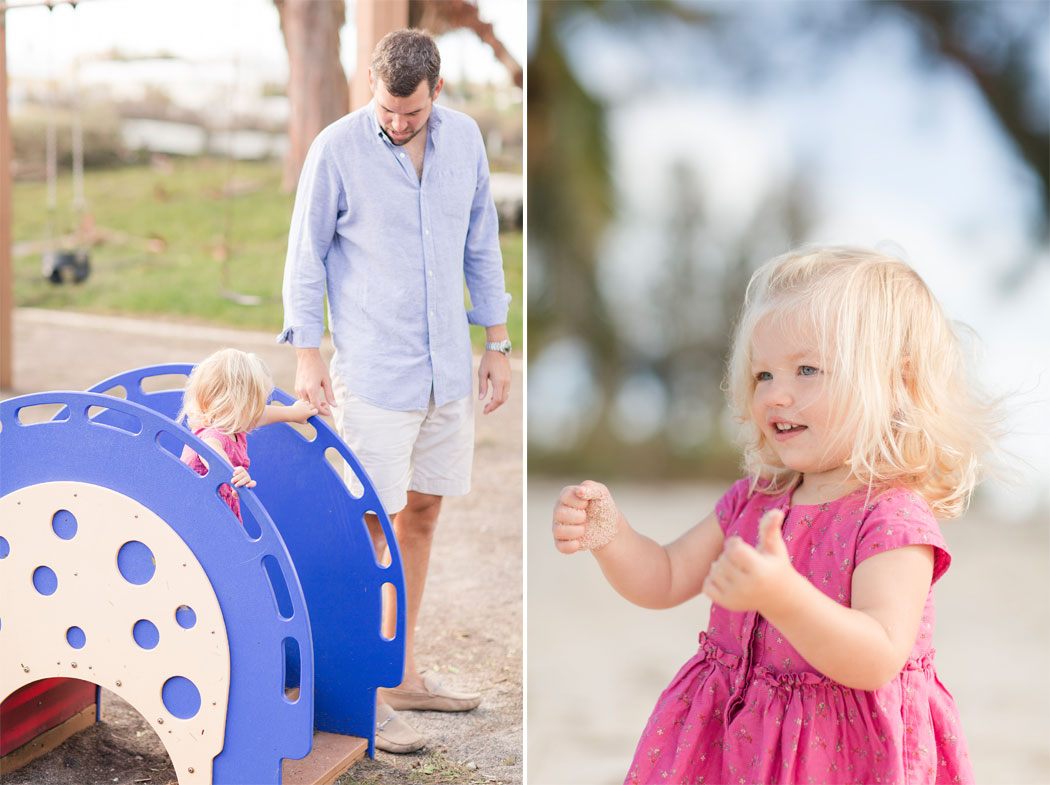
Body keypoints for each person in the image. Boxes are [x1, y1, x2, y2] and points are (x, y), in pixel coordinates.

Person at [552, 247, 1000, 784]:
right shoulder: (756, 498)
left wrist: (781, 597)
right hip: (731, 739)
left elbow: (878, 655)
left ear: (894, 384)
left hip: (838, 755)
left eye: (807, 369)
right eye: (763, 374)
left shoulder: (891, 518)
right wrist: (613, 534)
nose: (777, 394)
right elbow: (666, 576)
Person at [279, 28, 512, 754]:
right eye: (387, 109)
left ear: (436, 92)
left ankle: (402, 672)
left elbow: (482, 243)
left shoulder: (466, 141)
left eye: (410, 112)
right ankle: (363, 689)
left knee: (425, 513)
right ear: (373, 92)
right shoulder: (337, 148)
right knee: (370, 526)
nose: (397, 123)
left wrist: (497, 342)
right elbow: (304, 253)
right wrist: (307, 352)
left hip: (446, 367)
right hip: (374, 372)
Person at [179, 348, 317, 521]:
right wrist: (232, 473)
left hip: (218, 511)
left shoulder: (234, 423)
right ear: (238, 405)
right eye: (254, 405)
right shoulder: (212, 436)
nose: (257, 411)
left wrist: (293, 413)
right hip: (200, 517)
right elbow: (209, 452)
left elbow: (263, 415)